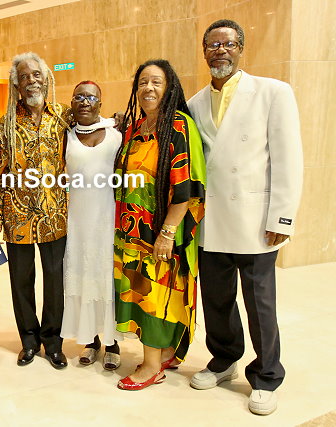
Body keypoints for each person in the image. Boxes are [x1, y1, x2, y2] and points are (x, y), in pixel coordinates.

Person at [187, 19, 303, 415]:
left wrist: (282, 217)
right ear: (204, 51)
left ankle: (267, 375)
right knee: (216, 300)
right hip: (212, 221)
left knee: (260, 304)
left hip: (255, 220)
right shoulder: (195, 103)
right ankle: (224, 359)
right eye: (212, 45)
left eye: (228, 44)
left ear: (240, 48)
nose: (220, 50)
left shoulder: (273, 92)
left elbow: (288, 158)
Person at [114, 60, 206, 391]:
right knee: (142, 294)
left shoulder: (178, 126)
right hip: (132, 232)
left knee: (154, 297)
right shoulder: (137, 128)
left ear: (169, 88)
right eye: (142, 82)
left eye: (156, 82)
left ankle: (152, 367)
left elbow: (186, 187)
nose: (148, 88)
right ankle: (165, 353)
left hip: (160, 232)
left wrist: (167, 233)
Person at [0, 52, 72, 369]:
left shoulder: (63, 116)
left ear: (46, 79)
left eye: (36, 74)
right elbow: (0, 171)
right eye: (24, 77)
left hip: (56, 215)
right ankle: (28, 341)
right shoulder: (6, 123)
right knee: (20, 281)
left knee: (55, 281)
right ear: (16, 85)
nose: (31, 81)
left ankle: (53, 342)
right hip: (18, 215)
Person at [60, 81, 122, 370]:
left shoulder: (116, 134)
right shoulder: (66, 136)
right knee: (84, 276)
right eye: (79, 96)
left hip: (107, 219)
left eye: (91, 97)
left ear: (100, 103)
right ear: (72, 102)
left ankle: (113, 343)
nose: (84, 101)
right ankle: (92, 340)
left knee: (106, 277)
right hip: (78, 221)